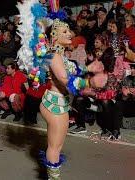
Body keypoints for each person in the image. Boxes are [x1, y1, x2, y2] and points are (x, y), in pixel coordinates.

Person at [17, 1, 106, 179]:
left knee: (55, 145)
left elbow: (72, 69)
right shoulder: (54, 55)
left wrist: (88, 69)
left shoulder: (61, 55)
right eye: (64, 31)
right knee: (55, 147)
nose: (70, 34)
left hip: (59, 102)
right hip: (54, 104)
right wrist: (90, 84)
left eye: (68, 30)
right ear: (55, 36)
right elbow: (65, 80)